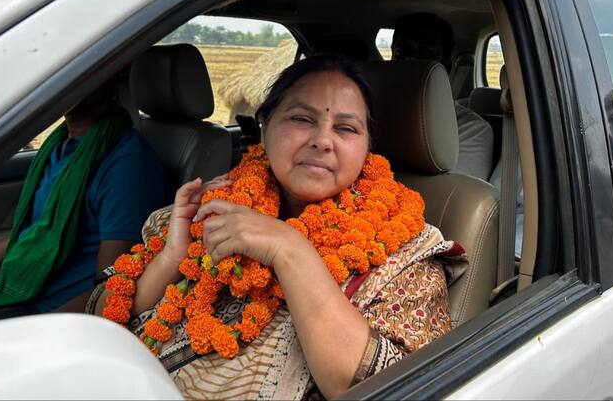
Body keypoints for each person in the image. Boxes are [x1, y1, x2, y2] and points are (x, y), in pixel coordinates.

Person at [88, 55, 464, 400]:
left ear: (368, 148)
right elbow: (103, 313)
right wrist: (173, 255)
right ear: (264, 127)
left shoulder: (405, 250)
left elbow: (399, 389)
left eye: (346, 129)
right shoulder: (213, 205)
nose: (322, 141)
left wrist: (289, 250)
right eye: (301, 119)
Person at [0, 77, 170, 328]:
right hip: (19, 288)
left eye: (83, 72)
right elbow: (33, 234)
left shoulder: (126, 163)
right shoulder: (59, 145)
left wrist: (10, 326)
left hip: (54, 314)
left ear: (109, 77)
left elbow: (113, 287)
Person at [391, 12, 494, 180]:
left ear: (445, 67)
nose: (409, 60)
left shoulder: (470, 129)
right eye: (401, 52)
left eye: (423, 54)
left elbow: (455, 199)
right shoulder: (362, 116)